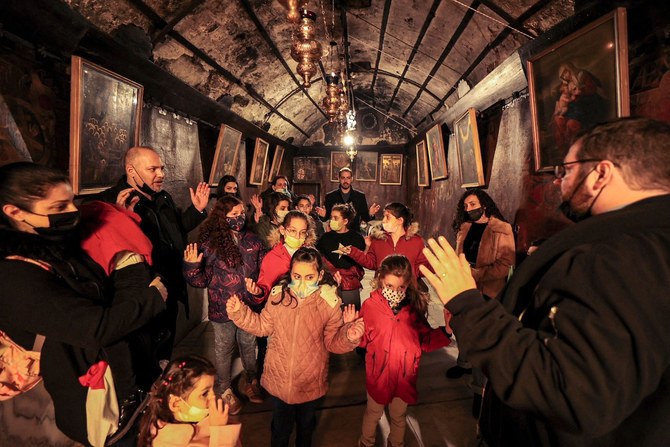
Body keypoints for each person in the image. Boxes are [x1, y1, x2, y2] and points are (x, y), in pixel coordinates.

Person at [419, 118, 670, 447]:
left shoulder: (622, 254)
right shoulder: (645, 239)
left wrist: (467, 302)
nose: (557, 183)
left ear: (601, 174)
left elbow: (576, 393)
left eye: (566, 171)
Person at [0, 162, 168, 446]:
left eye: (72, 201)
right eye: (58, 207)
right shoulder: (13, 277)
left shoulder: (55, 244)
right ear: (14, 212)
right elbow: (98, 327)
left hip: (125, 379)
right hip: (93, 398)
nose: (72, 212)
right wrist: (152, 298)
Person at [226, 247, 365, 447]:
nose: (301, 283)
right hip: (280, 380)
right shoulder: (277, 296)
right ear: (290, 273)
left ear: (320, 275)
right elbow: (262, 326)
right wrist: (241, 313)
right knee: (280, 430)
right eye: (296, 276)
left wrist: (348, 335)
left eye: (309, 277)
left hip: (309, 381)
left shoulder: (329, 303)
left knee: (306, 427)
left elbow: (332, 342)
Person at [95, 146, 210, 363]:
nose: (162, 174)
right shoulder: (109, 203)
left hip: (171, 288)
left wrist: (196, 211)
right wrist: (121, 219)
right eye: (153, 169)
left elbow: (177, 229)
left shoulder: (163, 197)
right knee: (144, 357)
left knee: (164, 351)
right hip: (143, 296)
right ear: (131, 171)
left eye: (162, 168)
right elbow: (107, 251)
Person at [183, 196, 266, 416]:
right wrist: (192, 266)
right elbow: (199, 281)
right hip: (222, 308)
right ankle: (224, 389)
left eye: (241, 213)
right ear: (222, 218)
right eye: (233, 215)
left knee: (249, 345)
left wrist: (260, 291)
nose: (239, 218)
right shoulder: (211, 244)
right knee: (223, 349)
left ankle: (251, 380)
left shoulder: (253, 241)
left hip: (248, 306)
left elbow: (263, 272)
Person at [358, 254, 452, 447]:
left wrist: (446, 331)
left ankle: (396, 443)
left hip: (404, 377)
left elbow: (425, 340)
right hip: (378, 375)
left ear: (408, 285)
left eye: (401, 287)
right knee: (373, 413)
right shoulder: (370, 307)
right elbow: (362, 339)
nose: (395, 292)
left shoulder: (414, 310)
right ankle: (366, 442)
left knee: (399, 417)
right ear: (380, 280)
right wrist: (352, 334)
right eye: (390, 286)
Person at [446, 189, 515, 383]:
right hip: (465, 286)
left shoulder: (501, 229)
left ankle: (480, 386)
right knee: (463, 328)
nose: (469, 209)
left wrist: (474, 273)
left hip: (488, 291)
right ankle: (464, 363)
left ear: (484, 205)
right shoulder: (465, 228)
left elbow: (504, 266)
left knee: (481, 336)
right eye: (466, 206)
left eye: (473, 205)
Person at [138, 355, 241, 447]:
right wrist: (220, 431)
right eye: (204, 393)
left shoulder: (205, 421)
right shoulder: (166, 442)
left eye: (213, 389)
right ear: (176, 403)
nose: (213, 397)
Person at [341, 202, 430, 279]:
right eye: (384, 217)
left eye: (387, 217)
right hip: (382, 291)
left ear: (400, 220)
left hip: (408, 292)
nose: (383, 220)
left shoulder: (417, 241)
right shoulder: (378, 240)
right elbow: (372, 263)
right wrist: (353, 252)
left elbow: (421, 268)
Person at [316, 203, 366, 310]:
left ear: (345, 221)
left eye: (335, 218)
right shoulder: (325, 238)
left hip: (350, 284)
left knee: (351, 316)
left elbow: (360, 262)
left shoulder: (357, 238)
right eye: (331, 217)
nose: (331, 220)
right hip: (329, 284)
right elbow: (319, 259)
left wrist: (345, 274)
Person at [317, 167, 380, 232]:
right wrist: (323, 216)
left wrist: (371, 214)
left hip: (354, 233)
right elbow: (326, 218)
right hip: (335, 234)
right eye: (343, 178)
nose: (345, 180)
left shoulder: (360, 196)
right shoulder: (330, 196)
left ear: (351, 179)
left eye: (348, 178)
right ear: (339, 179)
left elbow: (366, 218)